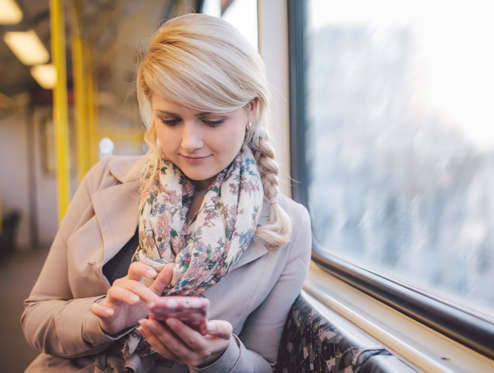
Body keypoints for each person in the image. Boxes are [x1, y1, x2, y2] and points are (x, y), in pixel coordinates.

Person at [21, 13, 311, 373]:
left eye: (212, 120)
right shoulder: (104, 179)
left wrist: (220, 358)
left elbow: (264, 364)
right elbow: (36, 314)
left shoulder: (288, 226)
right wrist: (102, 320)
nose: (189, 143)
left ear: (250, 109)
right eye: (170, 120)